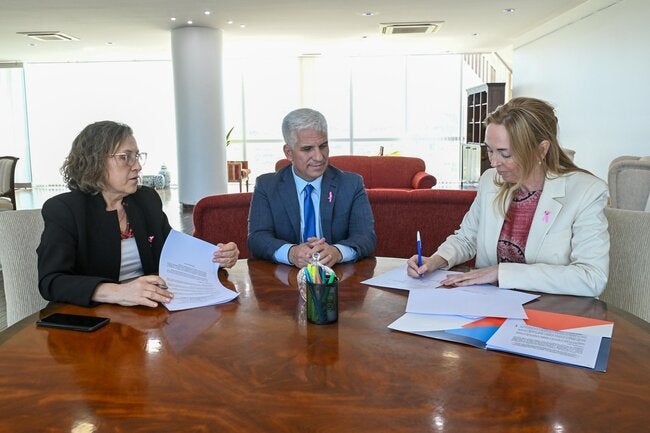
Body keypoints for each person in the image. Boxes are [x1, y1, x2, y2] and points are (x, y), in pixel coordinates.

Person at [407, 97, 609, 297]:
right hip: (491, 304)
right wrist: (436, 260)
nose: (494, 162)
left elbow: (592, 277)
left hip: (553, 310)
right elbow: (467, 239)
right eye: (490, 150)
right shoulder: (490, 180)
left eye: (505, 154)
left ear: (541, 150)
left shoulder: (587, 192)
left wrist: (500, 272)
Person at [37, 120, 240, 307]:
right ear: (94, 162)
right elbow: (52, 281)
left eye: (137, 156)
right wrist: (117, 292)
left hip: (144, 314)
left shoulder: (146, 200)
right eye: (125, 157)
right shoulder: (65, 209)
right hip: (90, 318)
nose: (137, 166)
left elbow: (173, 254)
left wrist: (216, 256)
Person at [248, 108, 376, 268]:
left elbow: (366, 237)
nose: (319, 157)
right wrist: (291, 253)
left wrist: (337, 252)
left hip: (337, 276)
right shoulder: (266, 186)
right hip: (286, 277)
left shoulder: (351, 184)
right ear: (289, 153)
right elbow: (257, 238)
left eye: (323, 146)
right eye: (307, 149)